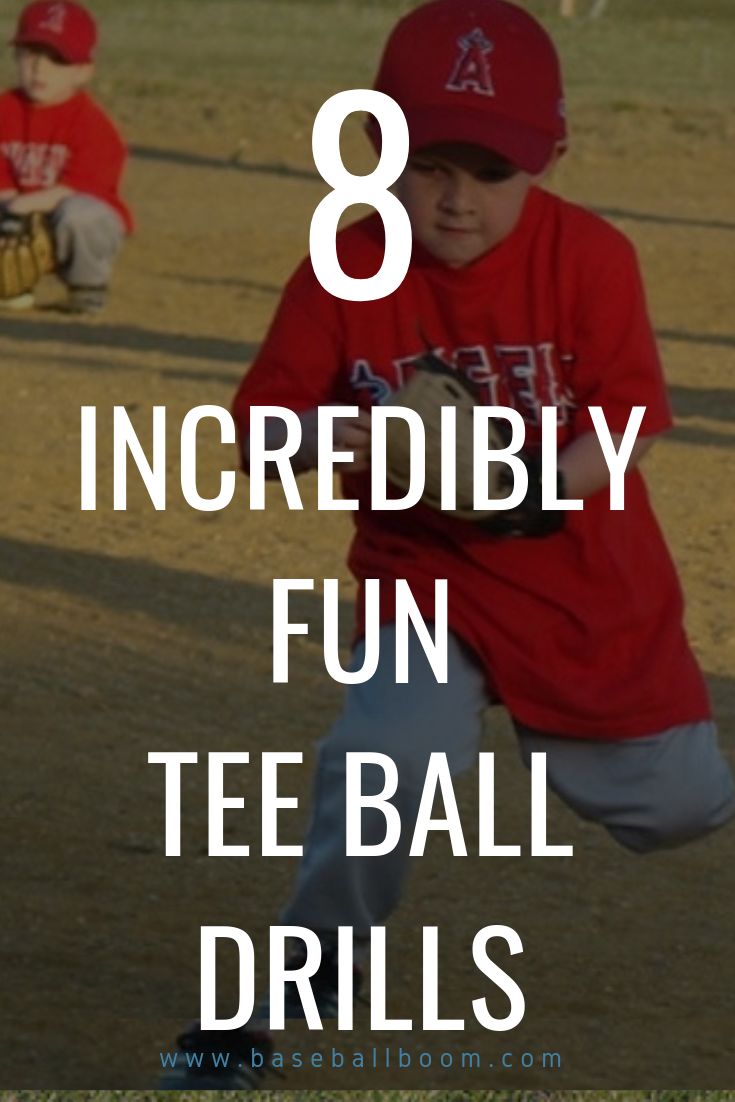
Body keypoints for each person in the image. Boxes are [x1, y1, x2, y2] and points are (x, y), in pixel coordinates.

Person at [161, 0, 734, 1087]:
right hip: (422, 578)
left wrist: (530, 483)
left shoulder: (592, 256)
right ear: (379, 147)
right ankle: (288, 984)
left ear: (549, 158)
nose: (458, 195)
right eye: (430, 163)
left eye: (492, 168)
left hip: (576, 578)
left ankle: (552, 724)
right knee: (387, 760)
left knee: (678, 807)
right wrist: (368, 432)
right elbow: (258, 433)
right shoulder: (347, 264)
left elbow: (630, 417)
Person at [0, 0, 132, 313]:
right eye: (30, 53)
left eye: (56, 59)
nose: (39, 68)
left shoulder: (93, 124)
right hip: (13, 215)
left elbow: (81, 186)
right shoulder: (4, 109)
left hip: (68, 224)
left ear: (83, 71)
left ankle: (87, 286)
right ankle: (12, 285)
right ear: (16, 56)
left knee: (83, 214)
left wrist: (20, 208)